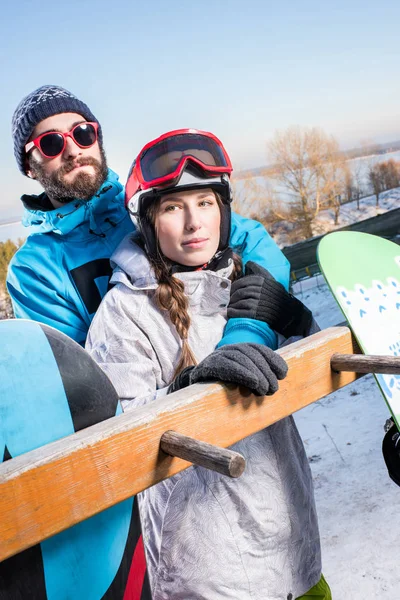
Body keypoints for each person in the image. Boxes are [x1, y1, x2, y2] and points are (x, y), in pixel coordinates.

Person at [86, 129, 331, 600]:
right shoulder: (125, 312)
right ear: (148, 222)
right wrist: (191, 387)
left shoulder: (245, 281)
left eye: (205, 202)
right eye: (174, 207)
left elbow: (315, 380)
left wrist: (296, 319)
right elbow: (115, 438)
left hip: (296, 549)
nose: (194, 222)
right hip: (208, 569)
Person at [7, 86, 289, 350]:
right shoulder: (34, 270)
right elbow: (80, 374)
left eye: (82, 133)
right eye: (51, 143)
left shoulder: (149, 203)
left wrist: (249, 329)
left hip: (236, 361)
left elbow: (250, 241)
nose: (73, 150)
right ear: (30, 167)